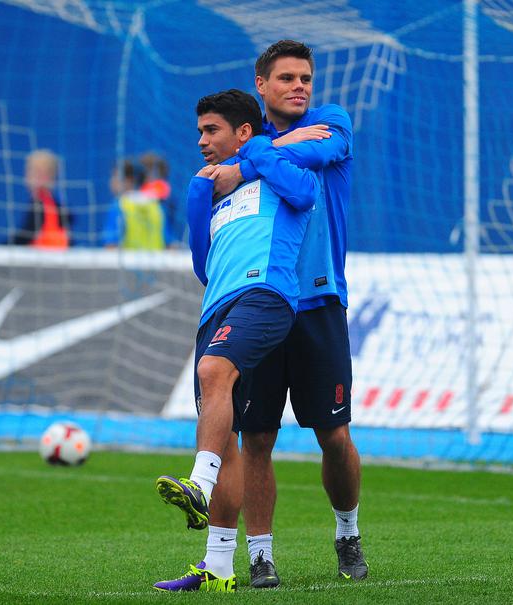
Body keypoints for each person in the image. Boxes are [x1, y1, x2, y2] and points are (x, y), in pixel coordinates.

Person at [206, 39, 366, 586]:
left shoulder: (329, 121)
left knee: (334, 435)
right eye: (286, 78)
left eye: (305, 78)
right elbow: (215, 181)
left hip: (319, 300)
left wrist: (252, 159)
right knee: (257, 438)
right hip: (261, 301)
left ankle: (347, 530)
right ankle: (261, 554)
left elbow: (317, 156)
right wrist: (259, 154)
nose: (299, 86)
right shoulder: (249, 136)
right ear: (261, 85)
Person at [153, 88, 319, 593]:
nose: (202, 140)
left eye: (212, 130)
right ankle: (219, 568)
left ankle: (197, 486)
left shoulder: (275, 165)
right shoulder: (210, 186)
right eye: (199, 131)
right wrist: (201, 196)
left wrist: (257, 157)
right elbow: (202, 262)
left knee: (211, 372)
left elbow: (306, 193)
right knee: (223, 437)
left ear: (243, 131)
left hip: (264, 293)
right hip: (216, 307)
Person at [101, 157, 172, 250]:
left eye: (115, 177)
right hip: (156, 263)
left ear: (129, 180)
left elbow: (111, 246)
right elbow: (170, 245)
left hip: (126, 264)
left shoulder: (119, 206)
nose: (111, 182)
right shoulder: (156, 206)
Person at [8, 149, 71, 249]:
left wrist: (0, 247)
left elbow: (26, 235)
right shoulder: (55, 205)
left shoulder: (40, 205)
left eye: (38, 173)